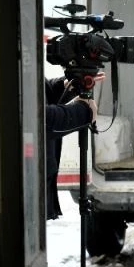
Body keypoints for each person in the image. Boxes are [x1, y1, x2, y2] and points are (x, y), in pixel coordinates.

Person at [45, 76, 98, 220]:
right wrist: (83, 112)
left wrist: (65, 86)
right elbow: (37, 118)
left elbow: (38, 93)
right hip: (26, 184)